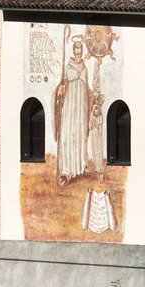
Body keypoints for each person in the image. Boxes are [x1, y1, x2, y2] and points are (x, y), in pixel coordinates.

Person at [54, 36, 91, 185]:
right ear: (73, 50)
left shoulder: (85, 68)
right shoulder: (67, 67)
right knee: (68, 134)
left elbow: (87, 89)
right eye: (76, 48)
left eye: (80, 49)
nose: (77, 51)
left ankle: (80, 166)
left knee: (80, 134)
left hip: (80, 107)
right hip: (69, 107)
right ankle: (66, 171)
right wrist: (60, 91)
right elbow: (61, 86)